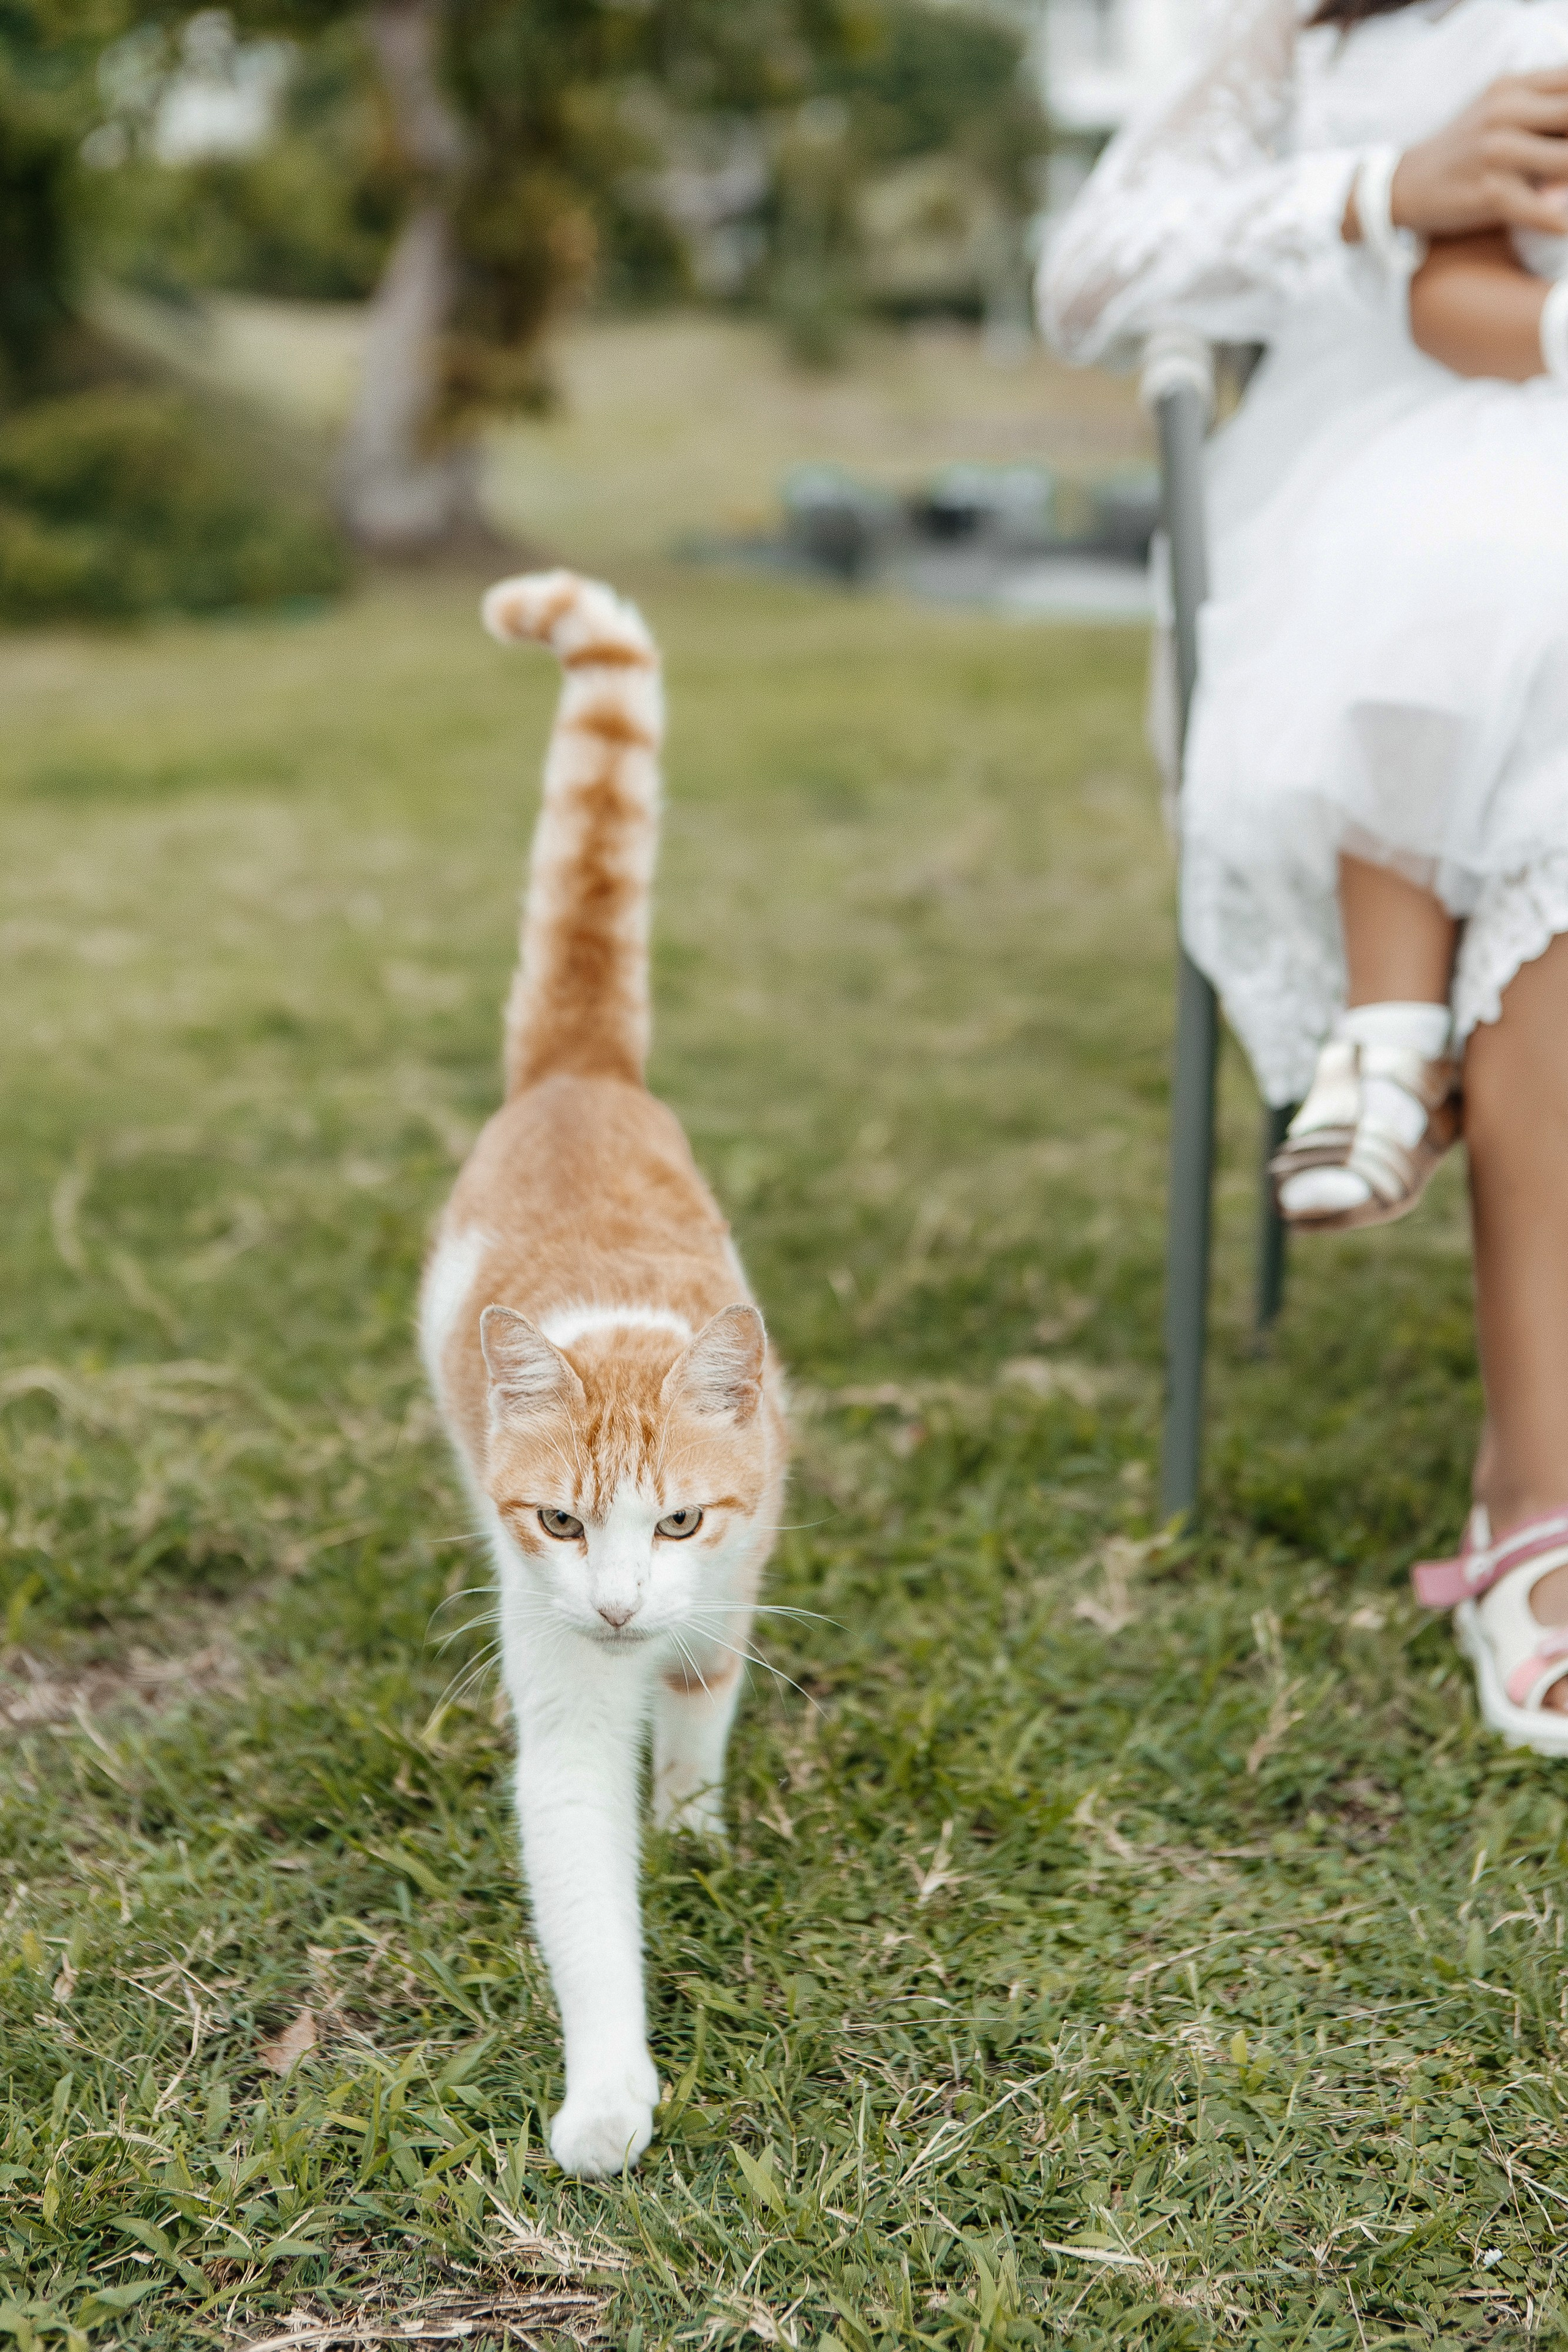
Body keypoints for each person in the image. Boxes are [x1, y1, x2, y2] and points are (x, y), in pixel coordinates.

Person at [1039, 0, 1568, 1751]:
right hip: (1350, 554)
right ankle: (1541, 1488)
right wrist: (1377, 188)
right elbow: (1087, 278)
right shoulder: (1314, 34)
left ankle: (1396, 1054)